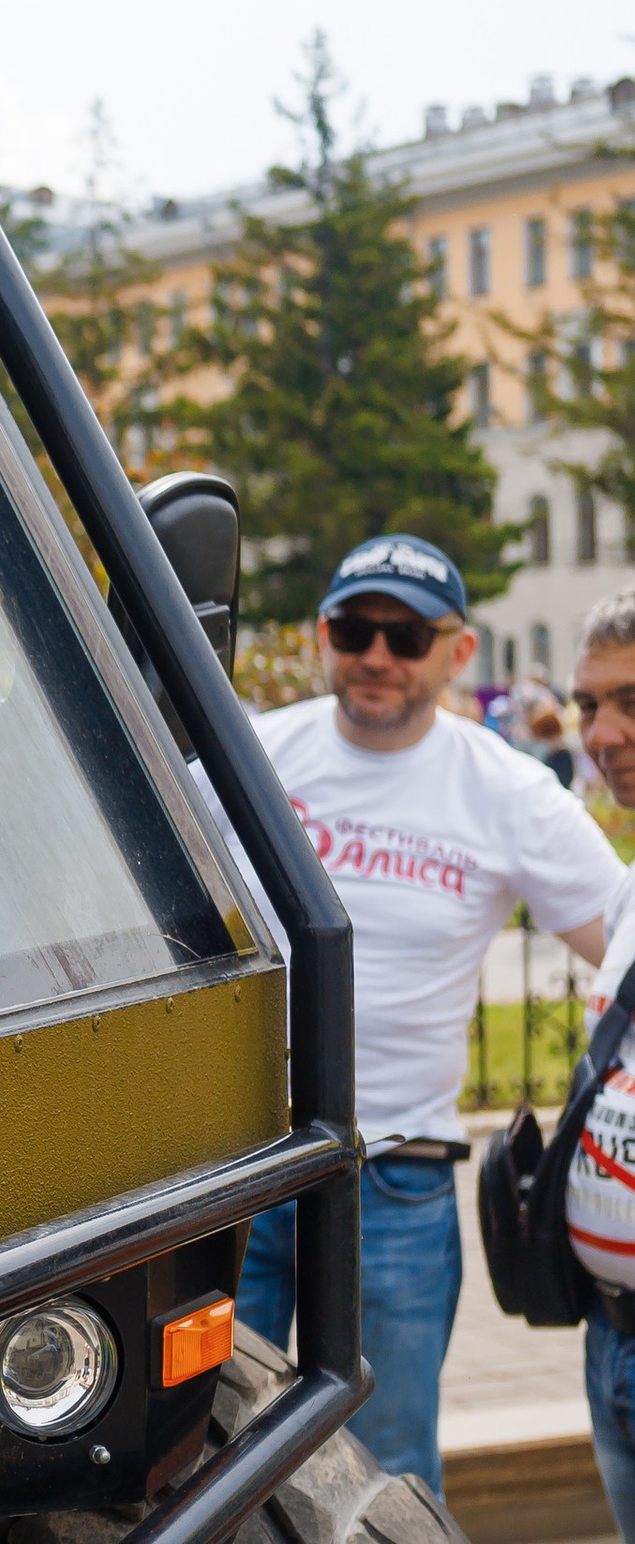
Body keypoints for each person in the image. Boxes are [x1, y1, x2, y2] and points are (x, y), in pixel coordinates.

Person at [230, 533, 623, 1489]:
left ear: (456, 653)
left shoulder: (508, 794)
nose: (376, 654)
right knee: (199, 1448)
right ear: (325, 634)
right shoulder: (243, 755)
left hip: (395, 1182)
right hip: (234, 1173)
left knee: (390, 1468)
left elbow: (623, 941)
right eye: (356, 627)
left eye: (406, 636)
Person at [557, 593, 635, 1544]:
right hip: (610, 1339)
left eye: (628, 699)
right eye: (586, 705)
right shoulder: (625, 890)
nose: (601, 733)